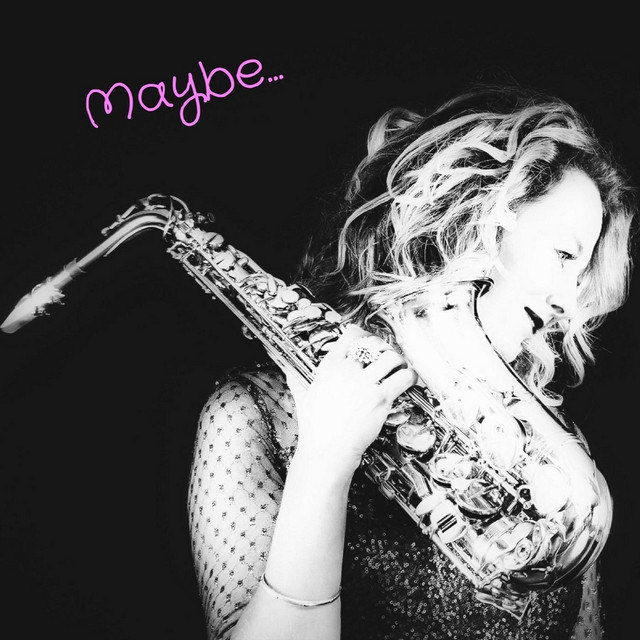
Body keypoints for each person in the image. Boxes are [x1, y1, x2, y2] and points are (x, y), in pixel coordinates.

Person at [187, 85, 636, 640]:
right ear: (468, 218)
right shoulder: (254, 413)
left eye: (581, 272)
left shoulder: (550, 471)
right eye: (564, 254)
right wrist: (324, 460)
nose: (570, 301)